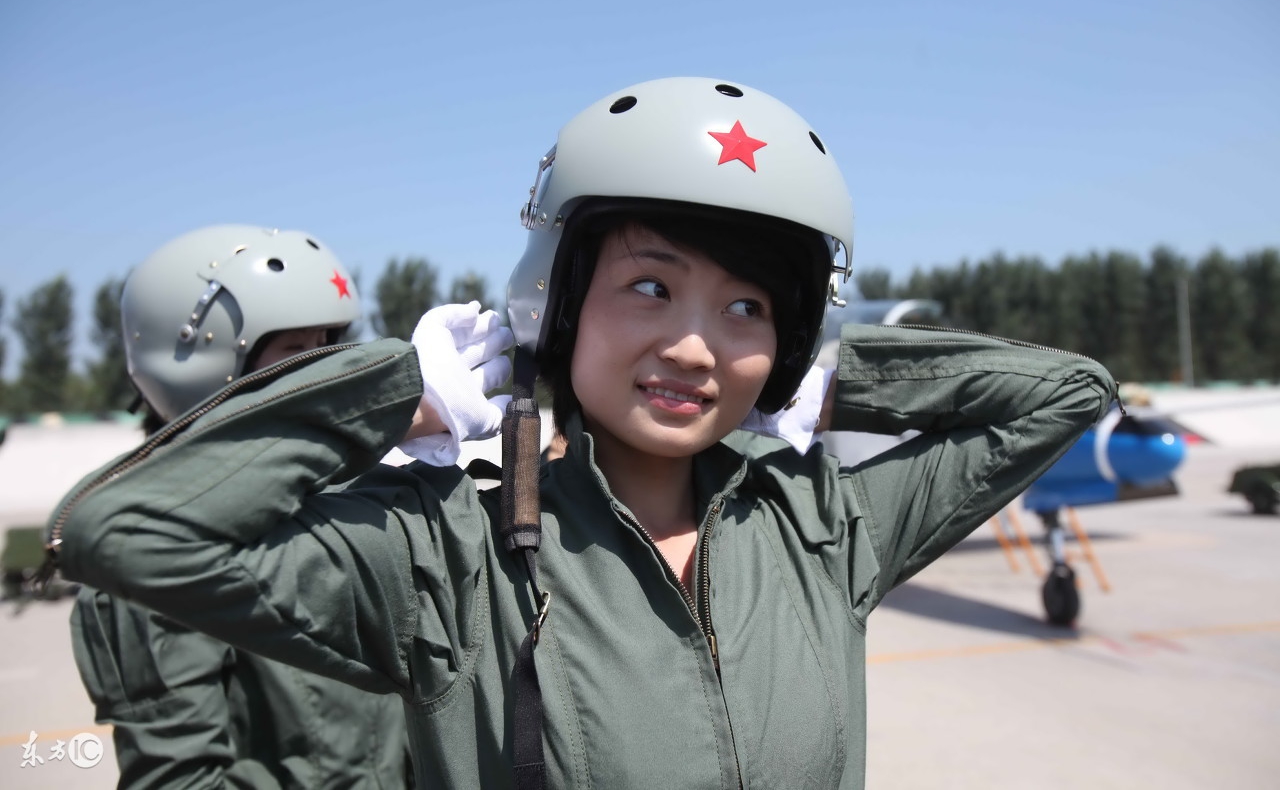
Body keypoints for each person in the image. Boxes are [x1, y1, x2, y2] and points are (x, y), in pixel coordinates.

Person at [46, 79, 1116, 789]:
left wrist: (829, 386)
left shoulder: (825, 529)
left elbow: (1062, 393)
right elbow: (124, 532)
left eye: (750, 308)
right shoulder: (442, 556)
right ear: (554, 303)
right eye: (649, 286)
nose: (698, 347)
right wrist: (396, 396)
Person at [67, 225, 413, 789]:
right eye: (296, 353)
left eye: (329, 345)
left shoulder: (346, 510)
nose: (326, 375)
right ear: (206, 371)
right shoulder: (150, 565)